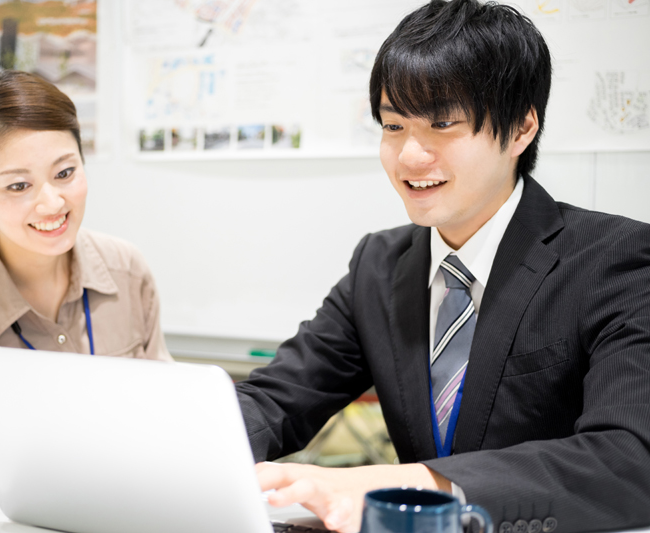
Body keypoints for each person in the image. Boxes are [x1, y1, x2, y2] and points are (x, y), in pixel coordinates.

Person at [235, 1, 650, 532]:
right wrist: (189, 448)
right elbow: (279, 399)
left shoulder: (615, 258)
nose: (409, 156)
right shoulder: (378, 265)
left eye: (443, 123)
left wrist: (411, 482)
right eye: (392, 125)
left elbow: (627, 458)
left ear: (521, 128)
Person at [0, 71, 172, 469]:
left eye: (65, 173)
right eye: (18, 186)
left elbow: (163, 398)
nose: (52, 203)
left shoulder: (125, 268)